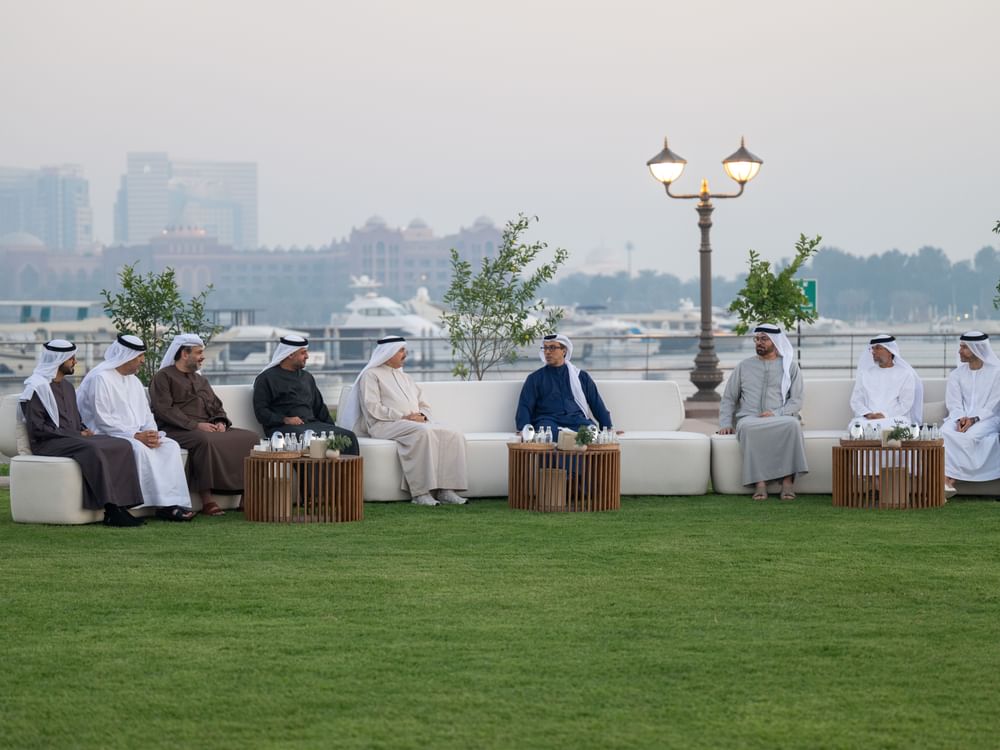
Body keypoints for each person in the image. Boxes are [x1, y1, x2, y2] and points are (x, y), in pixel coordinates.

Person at [19, 340, 146, 527]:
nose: (75, 362)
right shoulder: (36, 388)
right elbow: (38, 428)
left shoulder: (68, 387)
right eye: (71, 359)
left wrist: (82, 429)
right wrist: (75, 436)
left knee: (120, 444)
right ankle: (110, 509)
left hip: (73, 439)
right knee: (91, 448)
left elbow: (76, 419)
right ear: (58, 360)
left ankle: (123, 506)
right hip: (48, 443)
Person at [338, 336, 468, 506]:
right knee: (423, 432)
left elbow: (424, 404)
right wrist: (403, 416)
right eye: (401, 350)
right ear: (388, 353)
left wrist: (422, 416)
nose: (405, 354)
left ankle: (446, 490)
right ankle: (420, 493)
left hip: (413, 423)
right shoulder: (371, 375)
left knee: (453, 433)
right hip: (383, 425)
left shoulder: (405, 378)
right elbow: (372, 407)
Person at [77, 334, 195, 521]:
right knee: (138, 449)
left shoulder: (133, 381)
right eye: (139, 357)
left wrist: (152, 434)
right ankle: (140, 503)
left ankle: (169, 504)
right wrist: (136, 435)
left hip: (137, 433)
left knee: (169, 446)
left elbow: (147, 415)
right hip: (107, 435)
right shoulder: (101, 378)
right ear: (127, 356)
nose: (142, 361)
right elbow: (102, 420)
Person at [149, 333, 260, 516]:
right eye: (199, 352)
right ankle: (207, 499)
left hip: (208, 427)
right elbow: (164, 410)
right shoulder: (163, 377)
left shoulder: (200, 379)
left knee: (250, 437)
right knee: (204, 440)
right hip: (176, 429)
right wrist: (195, 425)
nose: (203, 357)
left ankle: (245, 497)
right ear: (185, 354)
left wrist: (220, 422)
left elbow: (216, 405)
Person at [718, 324, 808, 501]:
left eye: (764, 339)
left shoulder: (789, 367)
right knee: (749, 428)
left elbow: (796, 400)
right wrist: (725, 424)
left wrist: (776, 413)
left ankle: (787, 481)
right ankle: (759, 483)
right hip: (749, 418)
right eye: (757, 339)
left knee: (793, 425)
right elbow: (729, 398)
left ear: (775, 341)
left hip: (780, 416)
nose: (759, 343)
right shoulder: (744, 366)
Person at [252, 334, 359, 454]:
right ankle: (315, 473)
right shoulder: (266, 378)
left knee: (348, 436)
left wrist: (332, 427)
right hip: (283, 430)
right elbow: (261, 412)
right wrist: (285, 420)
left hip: (312, 425)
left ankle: (345, 473)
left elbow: (319, 408)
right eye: (303, 353)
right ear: (290, 354)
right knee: (309, 440)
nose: (307, 356)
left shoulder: (307, 377)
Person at [515, 334, 612, 434]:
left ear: (564, 350)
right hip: (548, 422)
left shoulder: (581, 377)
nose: (547, 352)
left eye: (552, 348)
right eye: (545, 348)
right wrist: (523, 429)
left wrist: (608, 427)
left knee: (590, 434)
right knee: (551, 435)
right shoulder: (535, 378)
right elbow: (525, 406)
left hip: (576, 420)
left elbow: (596, 403)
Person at [941, 331, 1000, 495]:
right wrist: (961, 419)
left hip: (988, 419)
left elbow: (993, 405)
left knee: (970, 436)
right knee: (944, 433)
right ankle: (946, 479)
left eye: (964, 347)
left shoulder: (997, 373)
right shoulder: (956, 374)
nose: (959, 351)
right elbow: (953, 403)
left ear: (977, 349)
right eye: (960, 346)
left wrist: (973, 419)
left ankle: (950, 478)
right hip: (958, 418)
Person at [848, 334, 923, 433]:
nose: (874, 352)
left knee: (899, 427)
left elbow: (905, 404)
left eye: (878, 348)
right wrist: (869, 414)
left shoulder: (905, 374)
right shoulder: (865, 374)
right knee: (855, 427)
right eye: (873, 349)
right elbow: (856, 401)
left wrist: (884, 415)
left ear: (890, 351)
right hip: (868, 420)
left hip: (893, 419)